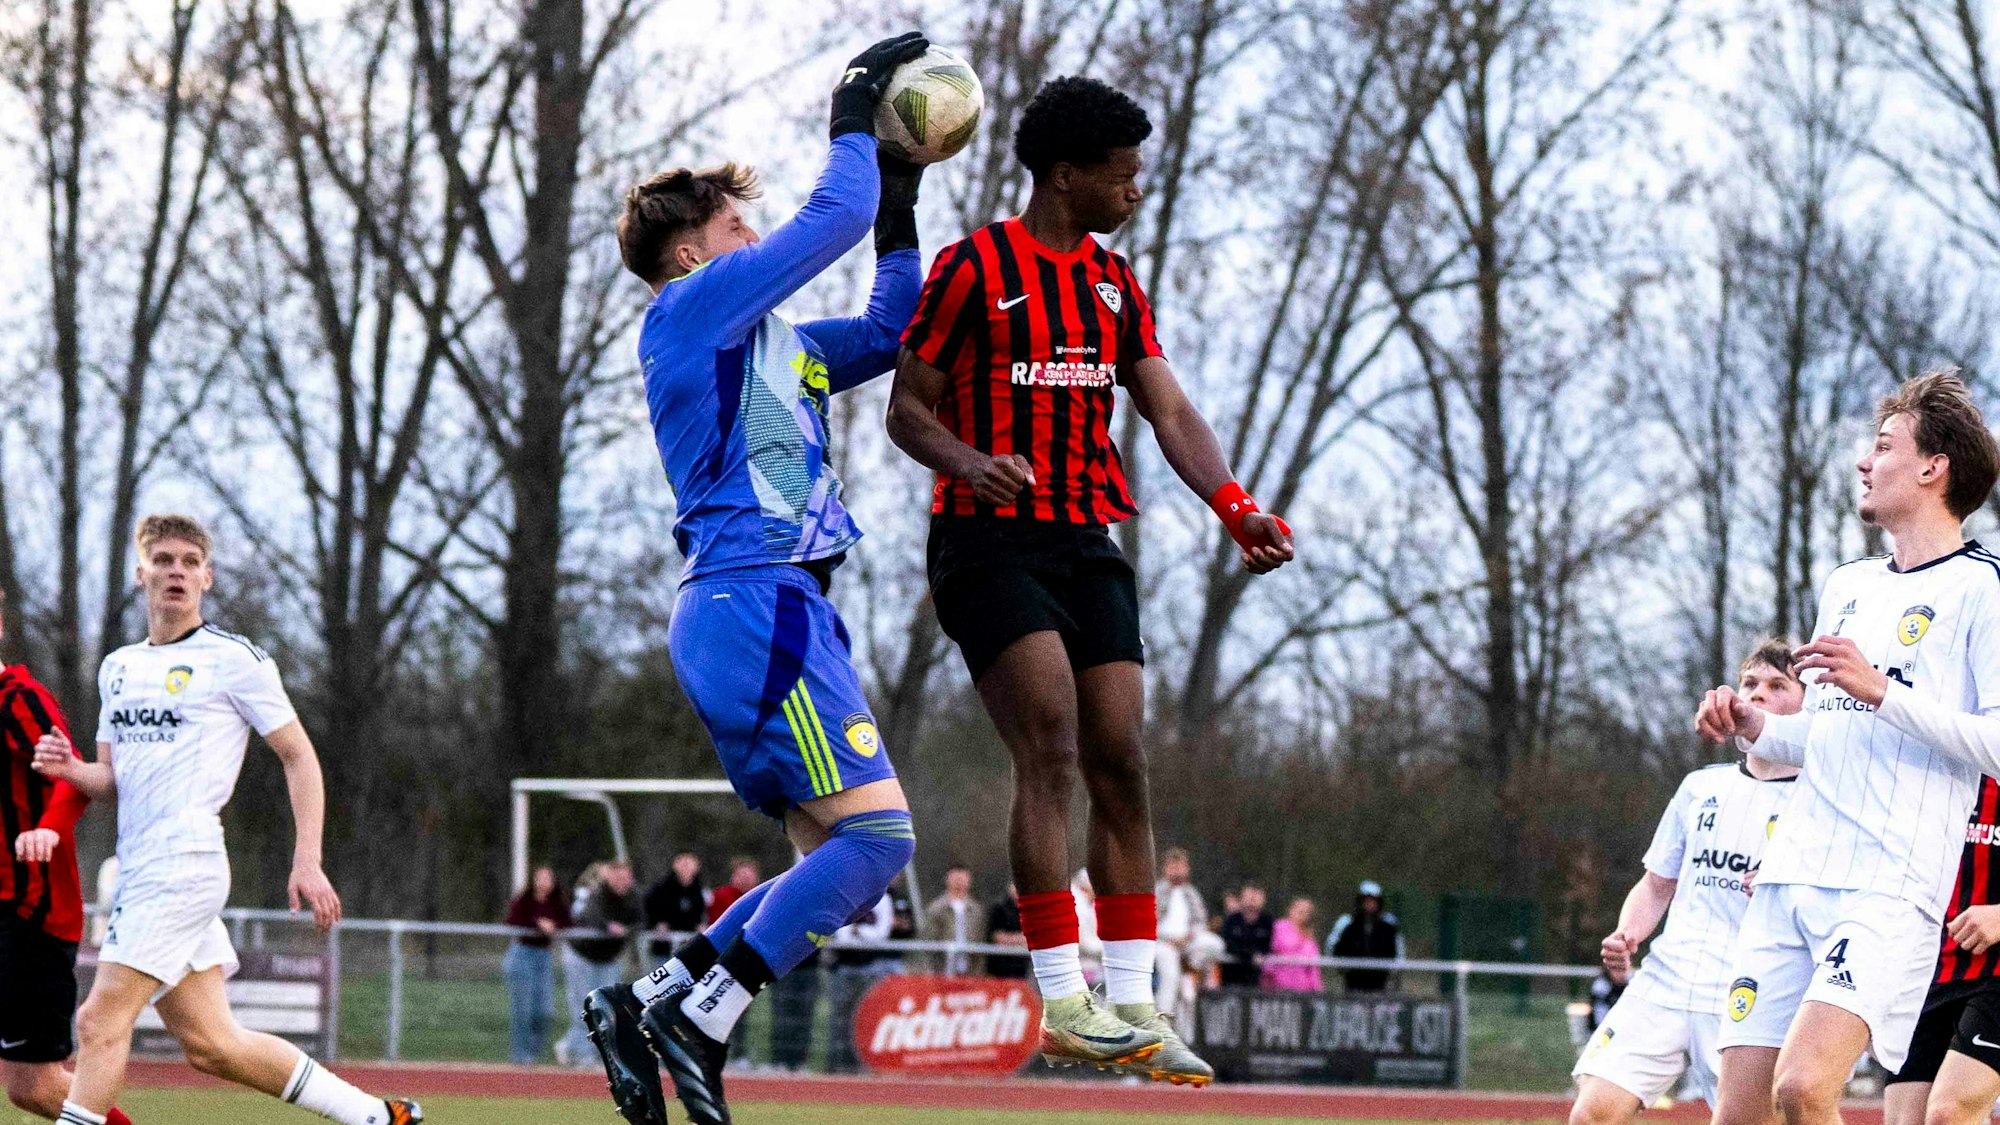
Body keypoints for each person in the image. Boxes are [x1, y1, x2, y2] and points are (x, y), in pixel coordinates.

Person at [887, 74, 1294, 1088]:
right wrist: (968, 462)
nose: (1135, 191)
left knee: (1121, 759)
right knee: (1054, 744)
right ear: (1065, 176)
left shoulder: (1114, 286)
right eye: (1121, 176)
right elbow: (906, 409)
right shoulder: (973, 267)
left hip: (1085, 540)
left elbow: (1168, 413)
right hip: (985, 541)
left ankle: (1135, 1009)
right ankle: (1062, 1002)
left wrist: (1233, 503)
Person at [581, 35, 933, 1125]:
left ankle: (648, 1001)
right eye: (738, 230)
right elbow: (823, 224)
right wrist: (852, 113)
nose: (756, 243)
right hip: (757, 601)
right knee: (882, 844)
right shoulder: (688, 314)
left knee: (827, 859)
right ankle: (703, 1013)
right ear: (693, 258)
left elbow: (888, 327)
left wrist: (901, 202)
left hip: (769, 610)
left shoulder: (781, 344)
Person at [33, 514, 420, 1125]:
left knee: (98, 1019)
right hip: (138, 866)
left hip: (183, 863)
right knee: (214, 1045)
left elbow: (299, 755)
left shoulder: (233, 659)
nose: (177, 571)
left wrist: (308, 859)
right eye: (163, 560)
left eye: (190, 561)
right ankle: (378, 1116)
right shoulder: (118, 667)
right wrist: (70, 769)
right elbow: (112, 781)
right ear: (142, 575)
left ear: (207, 578)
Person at [1697, 370, 2000, 1125]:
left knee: (1802, 1089)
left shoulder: (1983, 590)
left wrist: (1883, 692)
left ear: (1935, 468)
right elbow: (1831, 735)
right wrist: (1755, 724)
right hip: (1790, 876)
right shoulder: (1847, 584)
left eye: (1883, 445)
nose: (1865, 462)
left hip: (1887, 887)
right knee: (1738, 1112)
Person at [1568, 642, 1804, 1125]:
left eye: (1778, 686)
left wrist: (1790, 887)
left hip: (1750, 993)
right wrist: (1628, 934)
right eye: (1751, 684)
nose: (1758, 696)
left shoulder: (1818, 802)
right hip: (1667, 979)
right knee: (1591, 1115)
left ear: (1807, 706)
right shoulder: (1701, 787)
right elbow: (1657, 885)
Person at [0, 590, 135, 1125]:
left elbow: (73, 777)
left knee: (34, 1086)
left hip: (30, 910)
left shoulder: (17, 698)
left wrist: (47, 830)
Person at [1882, 774, 2000, 1125]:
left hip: (1996, 975)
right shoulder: (1937, 765)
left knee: (1949, 1112)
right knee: (1908, 1120)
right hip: (1928, 969)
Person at [563, 861, 638, 1065]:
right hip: (583, 955)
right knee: (583, 1005)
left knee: (606, 1007)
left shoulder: (633, 897)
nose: (621, 882)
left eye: (625, 878)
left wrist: (627, 930)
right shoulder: (596, 894)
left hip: (608, 959)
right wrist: (608, 926)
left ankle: (585, 1050)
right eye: (617, 877)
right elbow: (589, 916)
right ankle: (580, 1053)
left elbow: (640, 920)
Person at [502, 865, 571, 1065]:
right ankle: (520, 1056)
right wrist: (537, 924)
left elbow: (569, 922)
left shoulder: (557, 903)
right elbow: (513, 920)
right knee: (522, 1009)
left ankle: (532, 1051)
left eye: (547, 878)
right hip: (522, 954)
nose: (543, 883)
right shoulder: (523, 901)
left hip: (543, 956)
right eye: (540, 878)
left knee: (544, 1010)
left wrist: (554, 925)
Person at [1154, 847, 1207, 1017]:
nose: (1177, 871)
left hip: (1188, 942)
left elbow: (1201, 920)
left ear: (1187, 869)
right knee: (1170, 976)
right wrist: (1168, 939)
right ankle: (1164, 1017)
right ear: (1165, 868)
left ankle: (1190, 969)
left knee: (1215, 944)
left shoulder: (1191, 893)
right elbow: (1150, 920)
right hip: (1163, 943)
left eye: (1180, 866)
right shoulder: (1157, 890)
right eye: (1173, 866)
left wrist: (1188, 937)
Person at [1327, 880, 1405, 993]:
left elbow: (1398, 953)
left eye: (1373, 901)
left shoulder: (1388, 927)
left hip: (1380, 985)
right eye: (1366, 901)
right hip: (1353, 985)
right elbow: (1333, 949)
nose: (1369, 904)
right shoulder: (1347, 924)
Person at [920, 865, 986, 976]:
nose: (959, 882)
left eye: (963, 878)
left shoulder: (976, 910)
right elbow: (929, 940)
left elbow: (980, 940)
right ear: (947, 879)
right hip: (941, 970)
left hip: (969, 971)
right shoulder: (936, 908)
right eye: (956, 878)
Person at [643, 853, 707, 959]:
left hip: (689, 947)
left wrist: (700, 925)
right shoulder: (661, 888)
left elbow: (700, 913)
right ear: (675, 865)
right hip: (664, 947)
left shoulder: (699, 889)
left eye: (689, 863)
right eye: (682, 863)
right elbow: (648, 910)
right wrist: (657, 923)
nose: (685, 867)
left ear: (697, 867)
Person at [1262, 897, 1322, 993]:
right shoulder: (1278, 927)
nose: (1302, 912)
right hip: (1278, 986)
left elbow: (1313, 969)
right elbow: (1274, 948)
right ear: (1290, 909)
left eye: (1306, 910)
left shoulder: (1310, 937)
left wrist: (1317, 991)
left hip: (1303, 991)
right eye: (1299, 908)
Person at [1220, 884, 1274, 988]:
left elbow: (1269, 946)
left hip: (1256, 978)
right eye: (1249, 896)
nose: (1252, 899)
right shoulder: (1231, 920)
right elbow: (1228, 944)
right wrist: (1249, 956)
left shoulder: (1267, 921)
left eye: (1256, 896)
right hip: (1231, 976)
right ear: (1241, 899)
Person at [988, 884, 1028, 979]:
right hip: (999, 968)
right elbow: (997, 937)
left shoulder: (1030, 910)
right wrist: (1020, 939)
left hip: (1023, 968)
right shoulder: (998, 908)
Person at [705, 858, 758, 928]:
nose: (746, 879)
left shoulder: (759, 897)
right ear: (734, 876)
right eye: (743, 875)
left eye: (749, 876)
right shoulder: (721, 895)